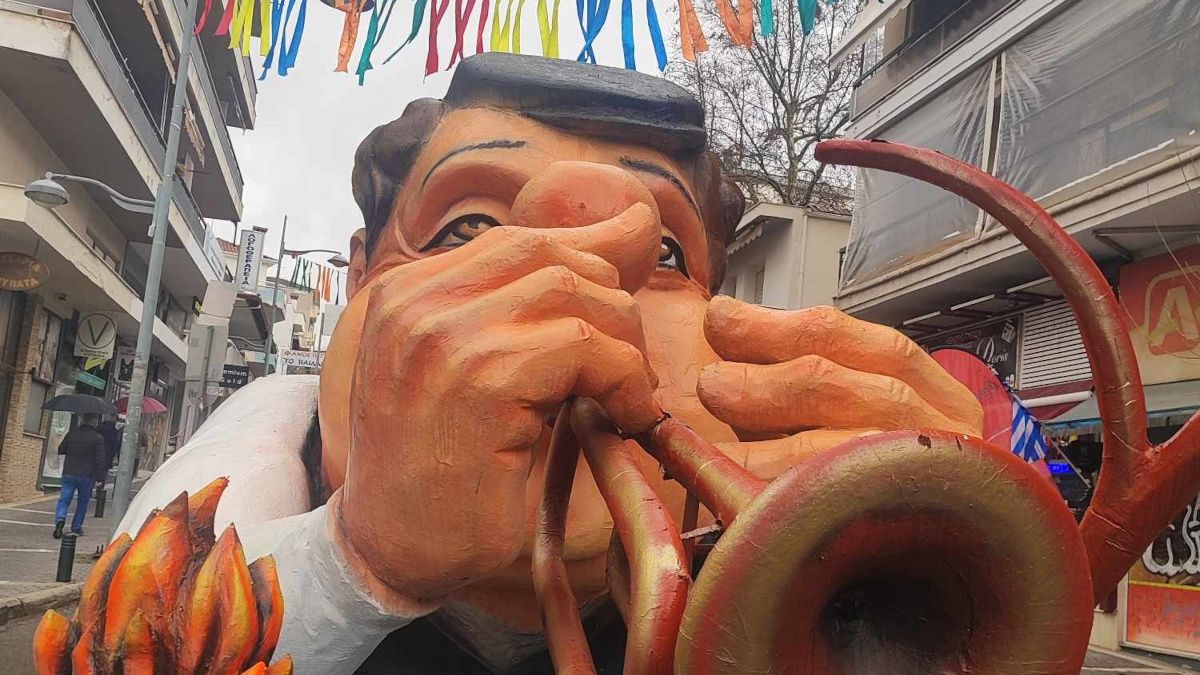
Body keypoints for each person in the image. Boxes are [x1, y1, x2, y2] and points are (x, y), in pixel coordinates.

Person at [107, 53, 982, 674]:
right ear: (360, 276)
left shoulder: (770, 587)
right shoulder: (254, 454)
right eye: (468, 229)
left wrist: (953, 584)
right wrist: (356, 565)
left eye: (664, 254)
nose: (568, 295)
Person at [53, 413, 108, 539]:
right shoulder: (98, 438)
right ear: (94, 422)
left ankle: (60, 520)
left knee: (64, 500)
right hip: (87, 475)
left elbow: (61, 449)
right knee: (82, 502)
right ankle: (76, 527)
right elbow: (100, 460)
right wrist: (100, 478)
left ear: (82, 420)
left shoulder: (72, 433)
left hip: (69, 472)